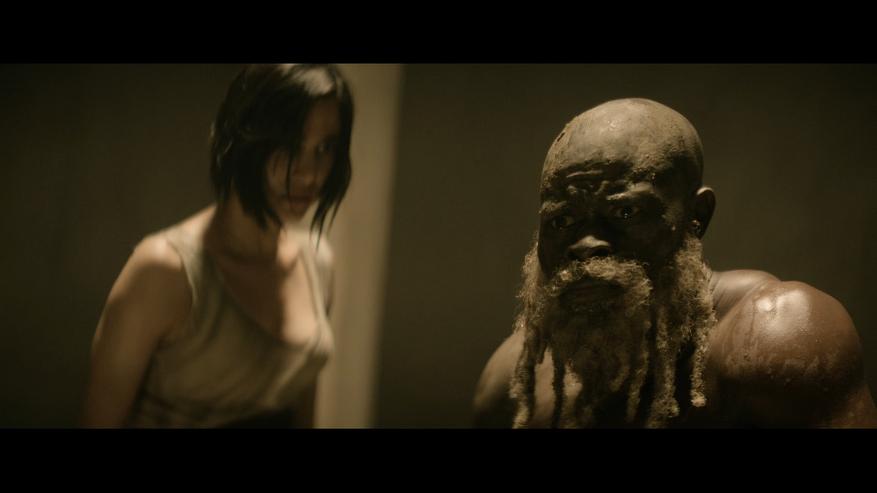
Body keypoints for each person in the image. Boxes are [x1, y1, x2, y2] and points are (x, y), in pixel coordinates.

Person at [473, 98, 877, 428]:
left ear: (695, 217)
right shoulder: (512, 383)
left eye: (625, 212)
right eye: (561, 221)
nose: (586, 245)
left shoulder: (778, 339)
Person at [81, 64, 354, 427]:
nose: (309, 173)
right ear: (246, 137)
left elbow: (301, 408)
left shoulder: (317, 263)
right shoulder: (165, 271)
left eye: (324, 148)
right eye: (288, 145)